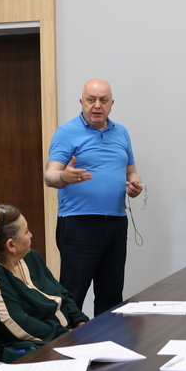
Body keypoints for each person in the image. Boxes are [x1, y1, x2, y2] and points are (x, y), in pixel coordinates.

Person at [44, 79, 143, 315]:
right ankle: (67, 338)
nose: (97, 105)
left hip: (116, 223)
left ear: (111, 103)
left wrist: (135, 184)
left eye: (103, 100)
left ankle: (108, 337)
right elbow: (49, 175)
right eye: (91, 100)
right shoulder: (66, 132)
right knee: (73, 294)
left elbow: (131, 171)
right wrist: (64, 176)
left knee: (111, 296)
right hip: (79, 224)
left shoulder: (121, 132)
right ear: (82, 102)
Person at [0, 203, 88, 361]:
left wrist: (80, 322)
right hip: (38, 349)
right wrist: (65, 335)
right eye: (26, 232)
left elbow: (61, 293)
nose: (31, 235)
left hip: (64, 338)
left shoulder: (30, 256)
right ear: (11, 245)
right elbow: (14, 321)